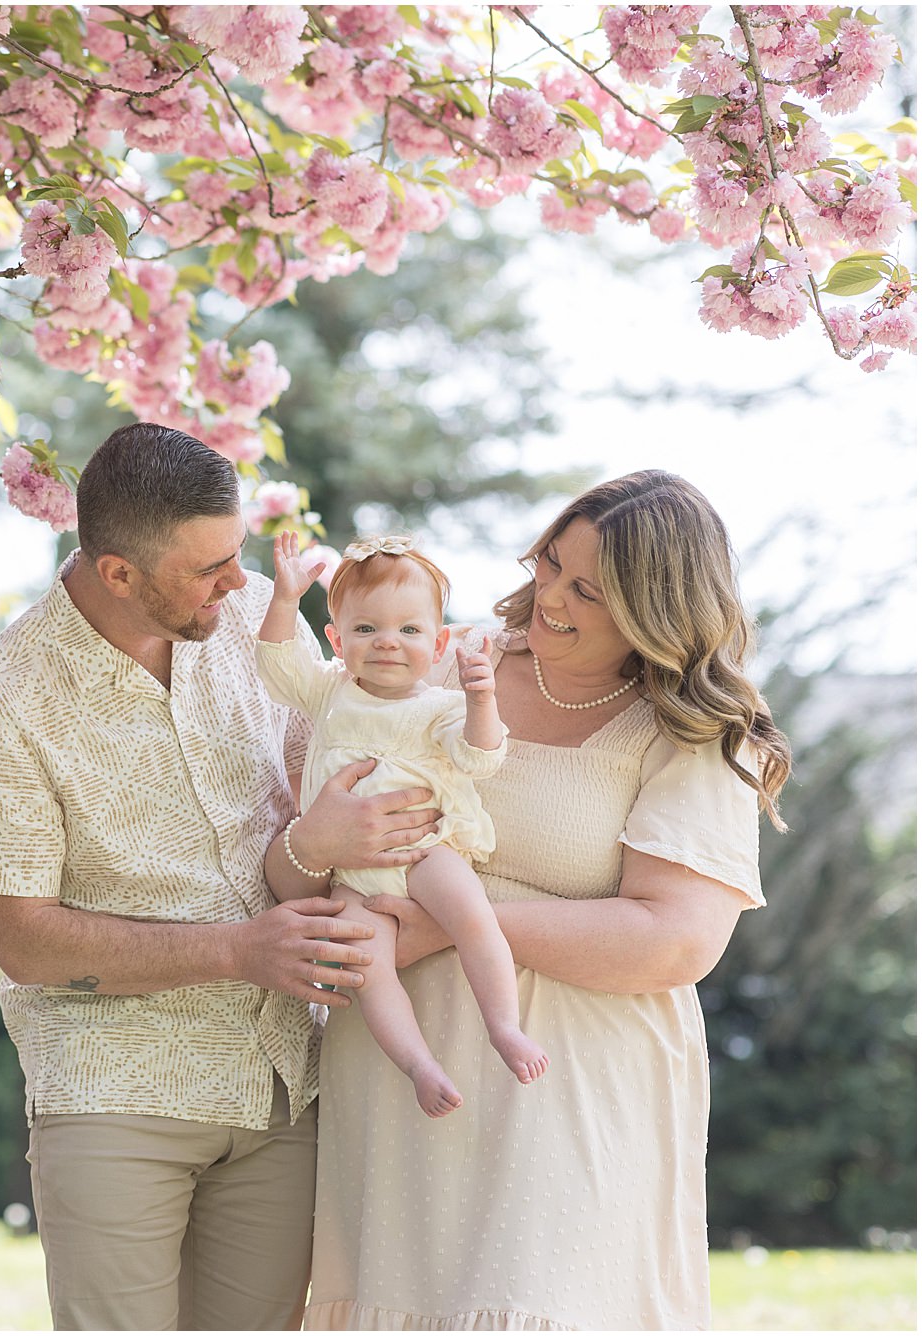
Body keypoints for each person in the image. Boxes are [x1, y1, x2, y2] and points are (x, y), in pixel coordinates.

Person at [0, 422, 441, 1331]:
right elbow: (23, 941)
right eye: (207, 568)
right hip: (117, 1096)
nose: (236, 583)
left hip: (287, 1081)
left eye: (236, 553)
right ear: (118, 572)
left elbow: (343, 756)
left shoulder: (254, 624)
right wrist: (240, 950)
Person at [282, 470, 791, 1330]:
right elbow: (299, 854)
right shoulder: (438, 658)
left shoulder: (694, 731)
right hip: (397, 1081)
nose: (549, 596)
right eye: (552, 563)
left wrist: (445, 928)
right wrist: (313, 848)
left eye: (586, 589)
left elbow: (674, 941)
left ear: (654, 608)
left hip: (572, 1092)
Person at [256, 532, 547, 1120]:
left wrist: (481, 696)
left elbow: (479, 756)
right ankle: (419, 1064)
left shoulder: (438, 707)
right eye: (366, 630)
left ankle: (504, 1027)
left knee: (473, 917)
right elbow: (277, 666)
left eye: (410, 631)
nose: (388, 642)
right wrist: (286, 600)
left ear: (439, 643)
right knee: (368, 970)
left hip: (426, 853)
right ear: (337, 640)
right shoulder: (330, 691)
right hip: (353, 876)